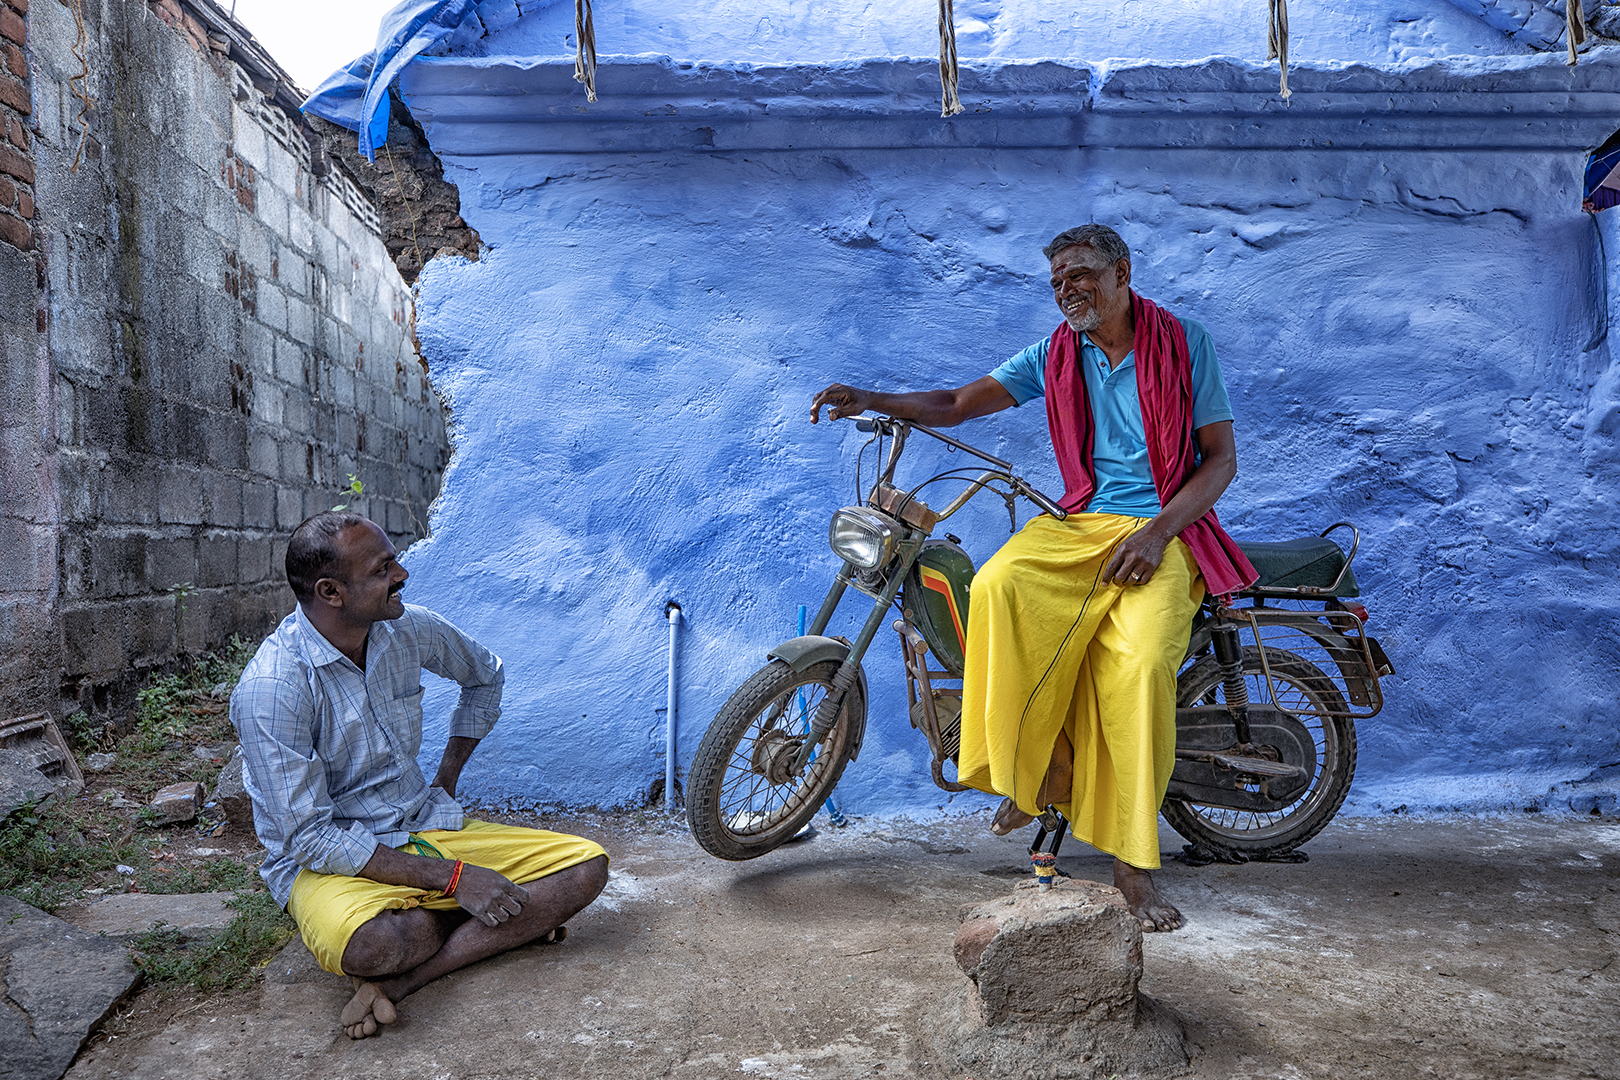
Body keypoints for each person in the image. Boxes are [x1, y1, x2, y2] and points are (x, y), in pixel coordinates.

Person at [810, 224, 1255, 932]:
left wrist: (1158, 532)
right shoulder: (1054, 354)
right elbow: (958, 404)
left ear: (1122, 273)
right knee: (995, 589)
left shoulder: (1184, 342)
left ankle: (1133, 868)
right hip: (1080, 525)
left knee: (1137, 667)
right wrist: (872, 397)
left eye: (1079, 275)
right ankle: (1040, 772)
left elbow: (1221, 460)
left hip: (1166, 530)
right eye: (1056, 282)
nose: (1067, 291)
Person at [231, 511, 609, 1038]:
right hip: (330, 860)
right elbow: (310, 838)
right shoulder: (274, 687)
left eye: (395, 560)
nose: (402, 575)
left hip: (421, 823)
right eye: (383, 568)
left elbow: (486, 676)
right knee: (374, 945)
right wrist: (458, 880)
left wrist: (446, 780)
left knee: (586, 870)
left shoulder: (406, 628)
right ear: (330, 591)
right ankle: (487, 922)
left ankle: (406, 980)